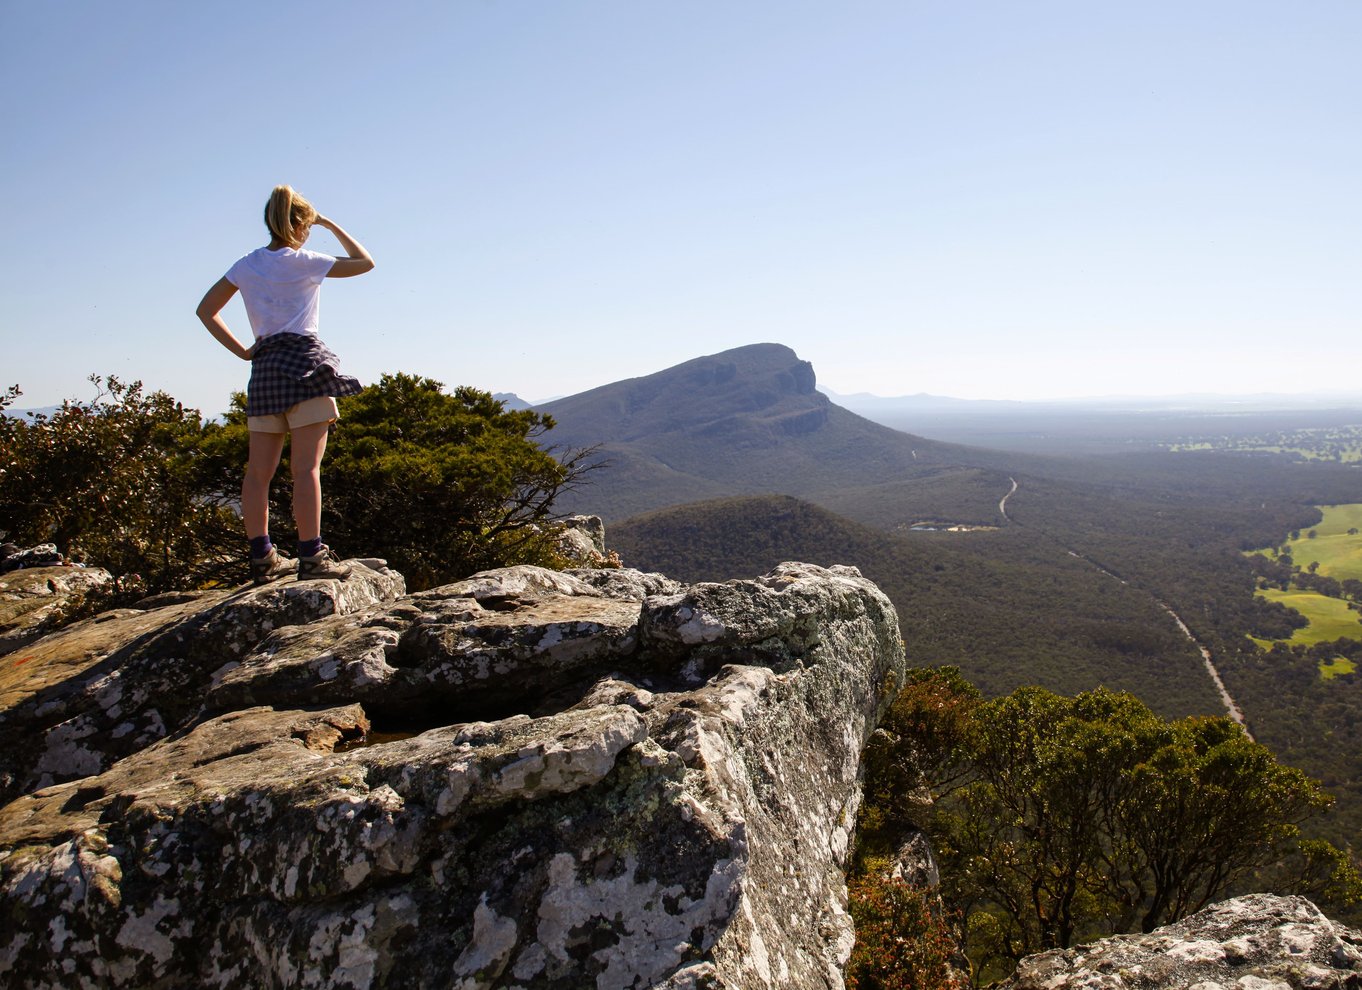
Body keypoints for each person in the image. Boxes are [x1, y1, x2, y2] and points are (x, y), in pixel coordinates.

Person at [196, 185, 374, 584]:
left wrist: (243, 351)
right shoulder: (305, 261)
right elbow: (365, 262)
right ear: (301, 224)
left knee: (257, 473)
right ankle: (311, 555)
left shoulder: (247, 264)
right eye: (309, 225)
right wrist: (329, 223)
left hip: (264, 370)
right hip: (306, 368)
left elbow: (206, 311)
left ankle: (262, 557)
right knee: (306, 469)